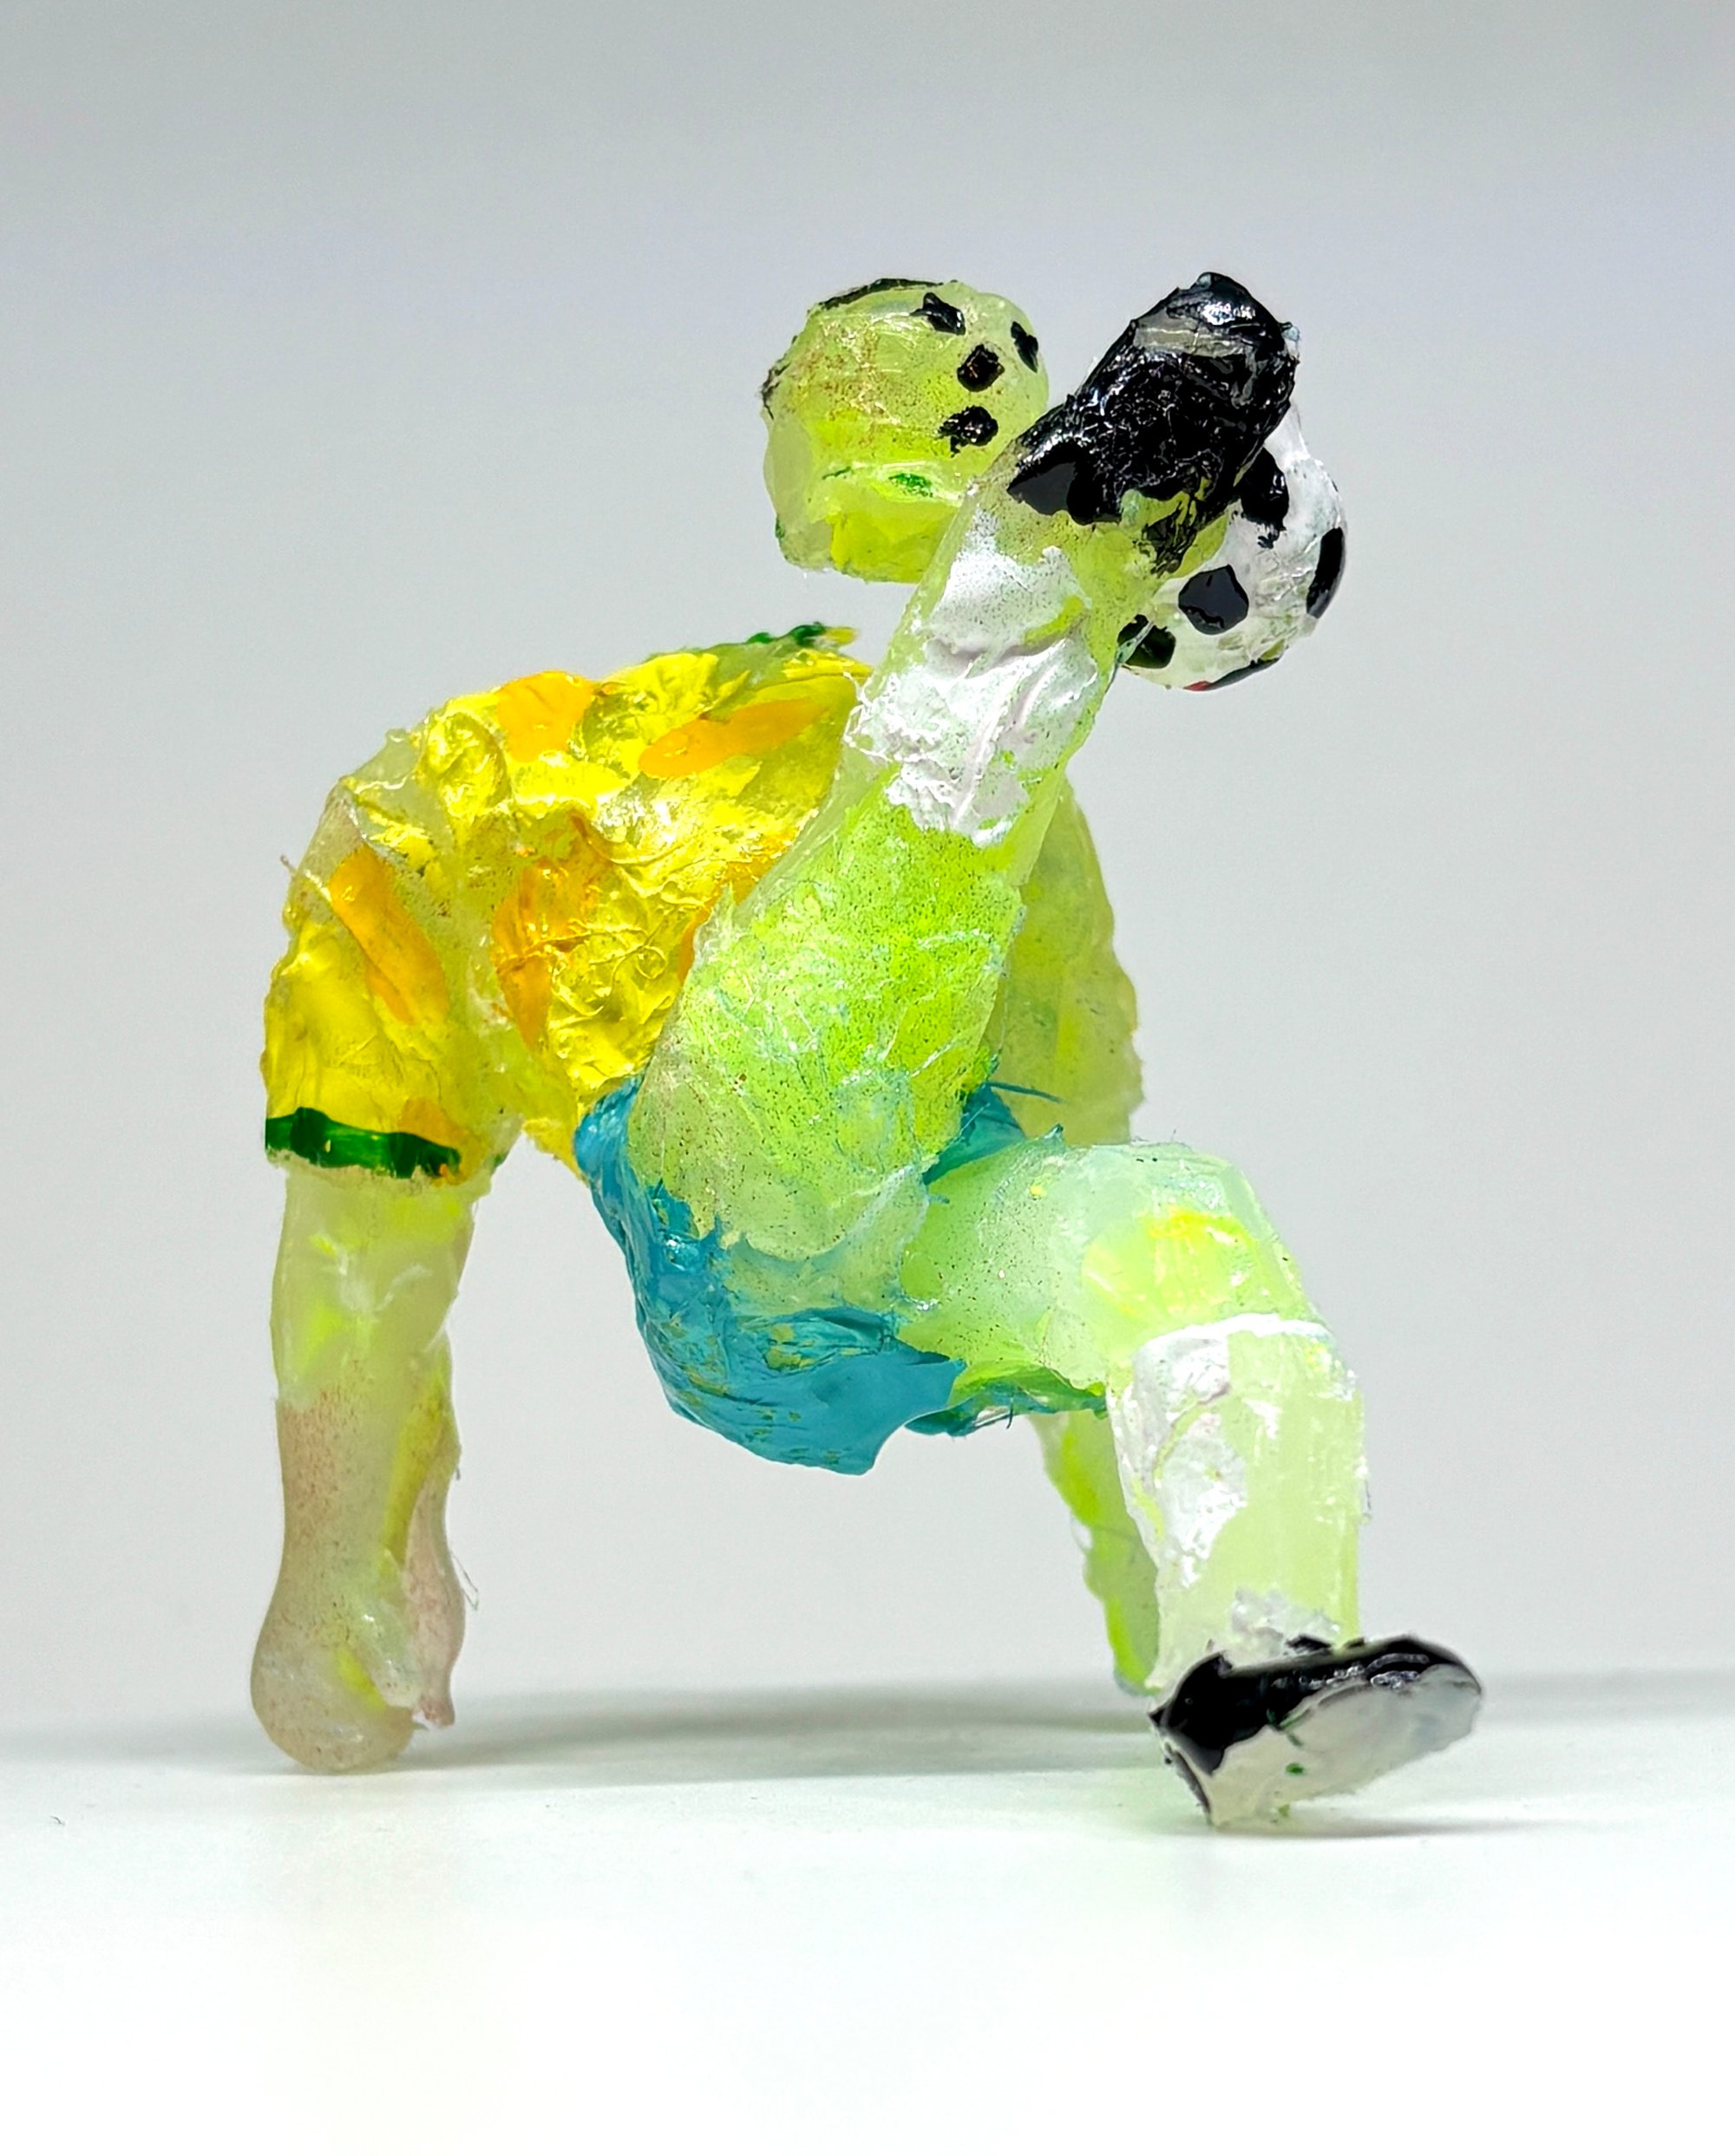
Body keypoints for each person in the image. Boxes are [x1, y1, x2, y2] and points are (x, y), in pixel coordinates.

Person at [256, 273, 1479, 1820]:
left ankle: (1251, 1669)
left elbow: (1077, 1155)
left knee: (1191, 1231)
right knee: (817, 1027)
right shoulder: (485, 781)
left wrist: (1151, 1586)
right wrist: (336, 1562)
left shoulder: (1023, 853)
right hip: (732, 1230)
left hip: (917, 1257)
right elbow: (365, 1227)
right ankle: (1050, 556)